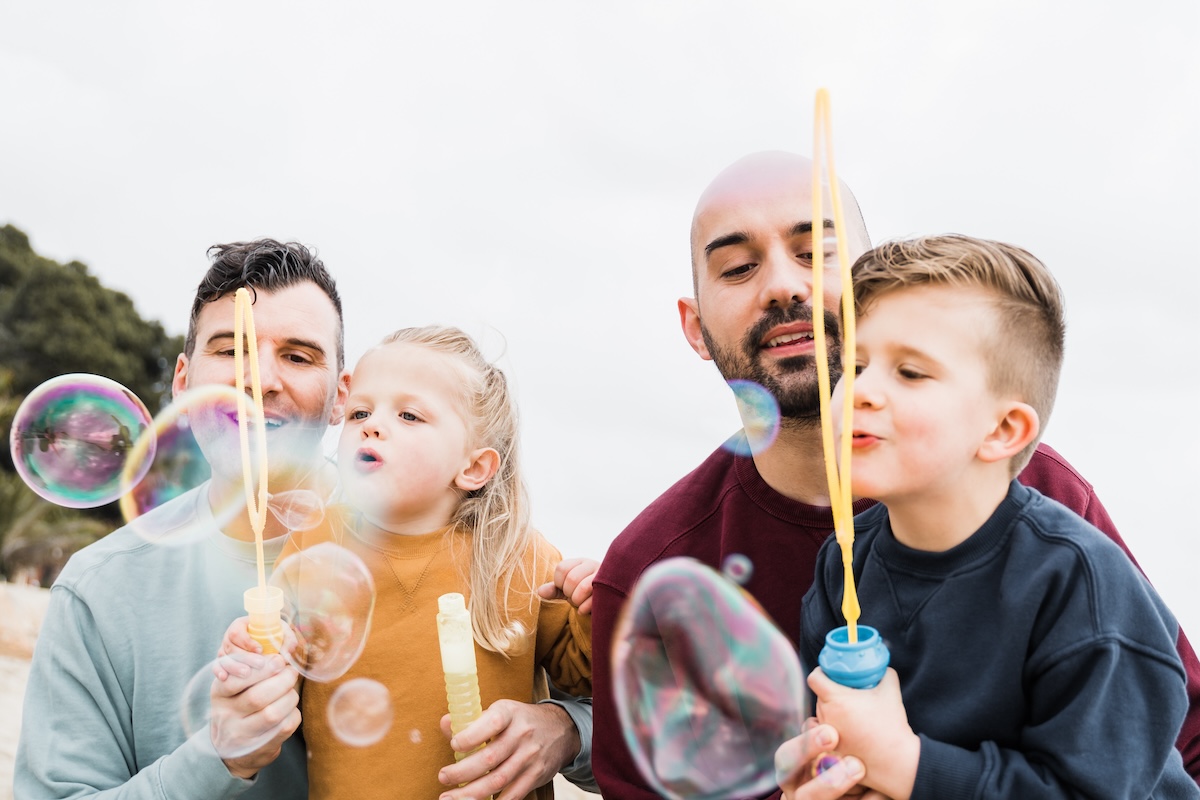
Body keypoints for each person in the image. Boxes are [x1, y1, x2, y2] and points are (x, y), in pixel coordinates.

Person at [591, 152, 1200, 799]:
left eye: (815, 253)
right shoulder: (695, 568)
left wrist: (909, 768)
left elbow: (1156, 756)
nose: (782, 287)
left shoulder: (1058, 530)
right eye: (738, 267)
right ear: (694, 325)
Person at [16, 242, 594, 799]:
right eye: (229, 350)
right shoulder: (97, 592)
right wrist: (218, 758)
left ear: (341, 394)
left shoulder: (455, 527)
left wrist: (565, 730)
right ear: (183, 380)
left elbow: (619, 703)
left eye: (297, 356)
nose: (260, 382)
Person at [800, 235, 1195, 798]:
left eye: (910, 372)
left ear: (1002, 431)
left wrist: (905, 764)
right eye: (856, 365)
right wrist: (816, 777)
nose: (861, 391)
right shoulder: (843, 564)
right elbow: (834, 746)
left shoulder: (1081, 590)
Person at [219, 325, 594, 800]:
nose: (372, 425)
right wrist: (255, 659)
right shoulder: (315, 540)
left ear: (474, 467)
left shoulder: (516, 555)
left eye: (409, 415)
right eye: (360, 411)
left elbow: (582, 677)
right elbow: (282, 666)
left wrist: (593, 613)